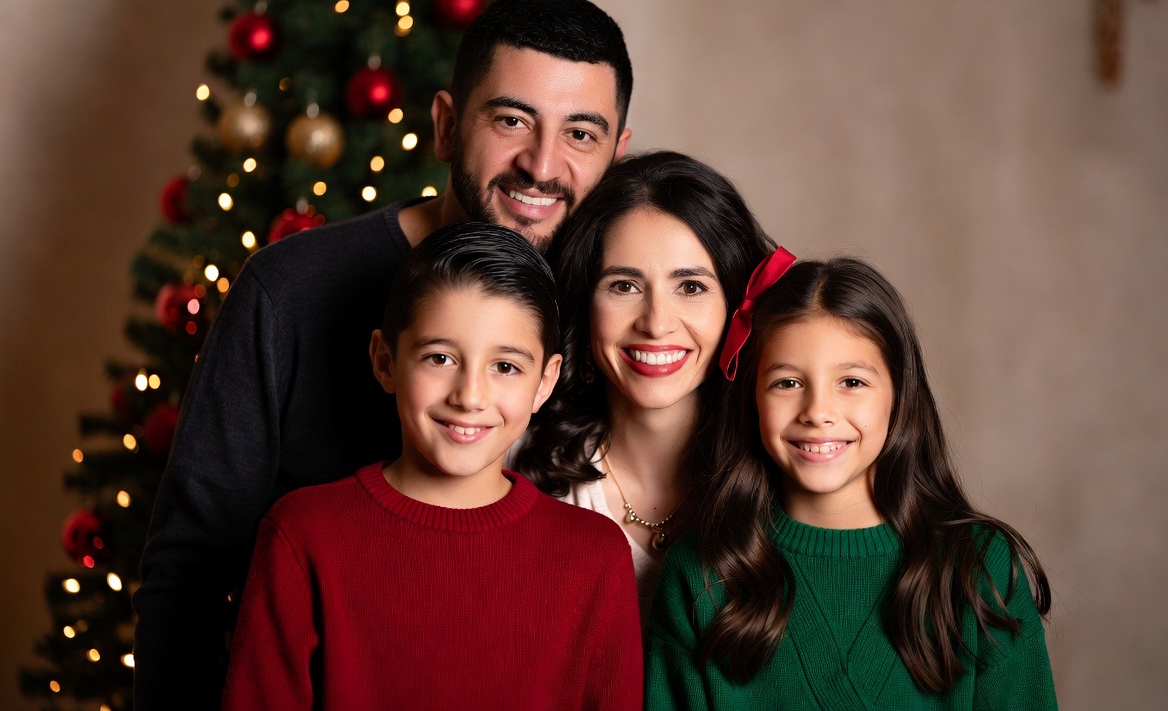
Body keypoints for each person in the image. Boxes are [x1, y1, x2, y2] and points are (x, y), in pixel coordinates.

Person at [133, 0, 633, 709]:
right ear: (446, 125)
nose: (542, 164)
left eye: (581, 134)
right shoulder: (292, 288)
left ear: (617, 154)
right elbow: (191, 569)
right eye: (512, 120)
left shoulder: (625, 314)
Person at [220, 223, 642, 710]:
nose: (469, 396)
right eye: (439, 358)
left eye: (505, 367)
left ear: (545, 382)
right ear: (385, 361)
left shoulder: (594, 555)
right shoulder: (303, 535)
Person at [644, 256, 1057, 709]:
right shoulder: (701, 574)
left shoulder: (981, 568)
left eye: (852, 382)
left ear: (899, 396)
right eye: (786, 383)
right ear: (752, 401)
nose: (818, 411)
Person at [513, 150, 773, 619]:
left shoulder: (786, 481)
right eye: (624, 286)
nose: (656, 324)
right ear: (584, 304)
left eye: (690, 287)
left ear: (737, 308)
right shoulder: (516, 471)